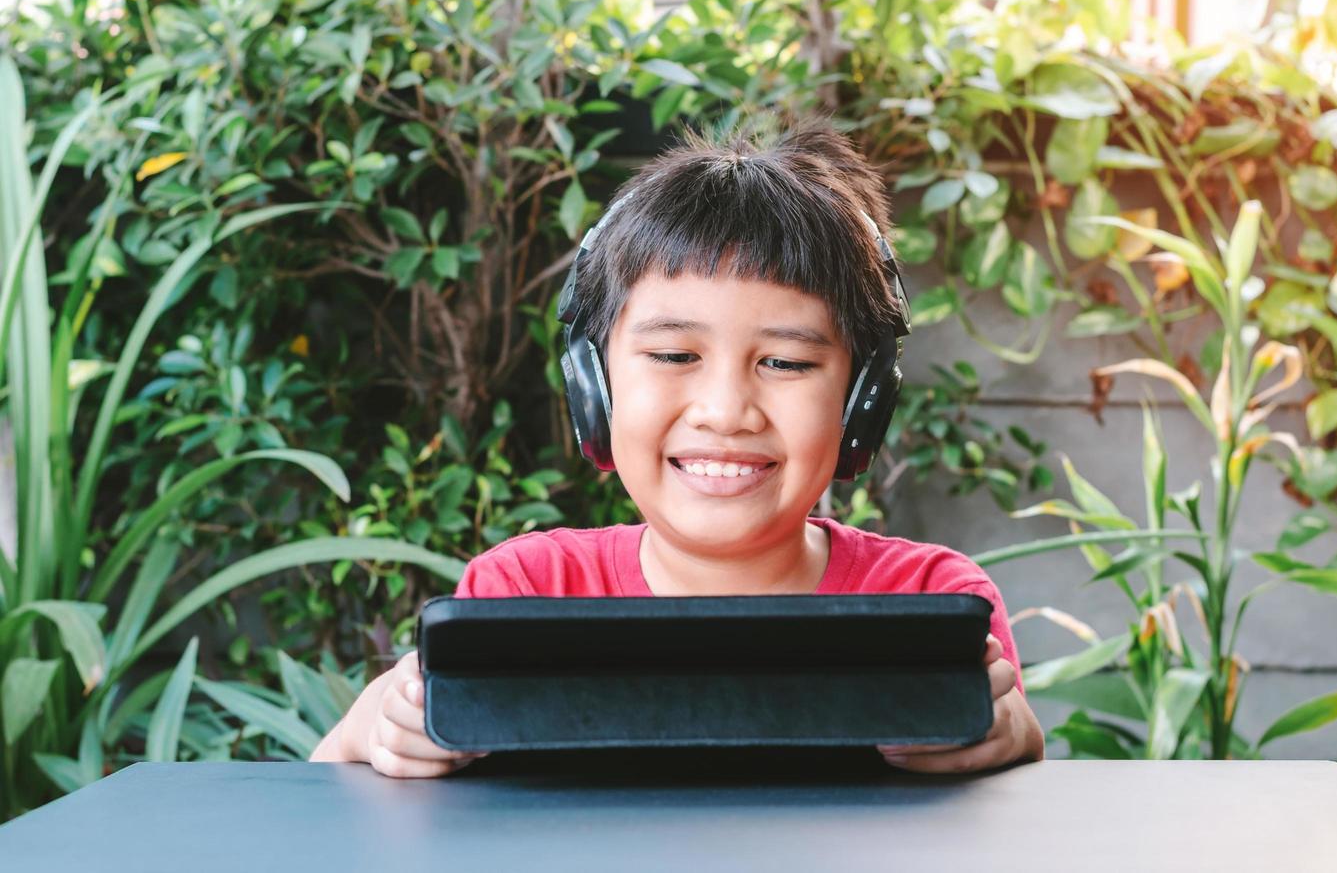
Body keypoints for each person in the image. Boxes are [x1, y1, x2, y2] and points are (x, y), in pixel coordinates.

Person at [311, 118, 1044, 777]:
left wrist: (1004, 735)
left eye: (785, 363)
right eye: (672, 356)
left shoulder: (928, 603)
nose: (725, 412)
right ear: (592, 388)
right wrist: (380, 718)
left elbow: (1016, 797)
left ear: (862, 403)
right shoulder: (526, 597)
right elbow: (324, 785)